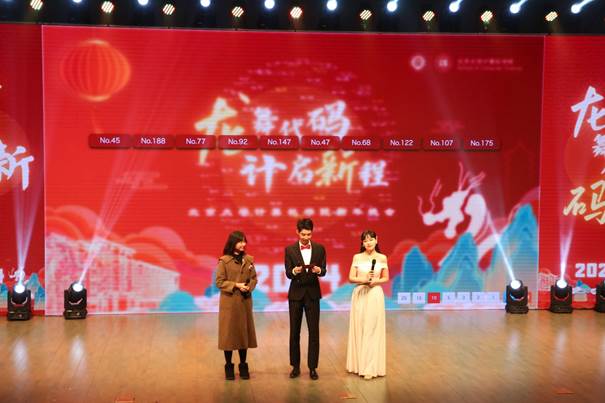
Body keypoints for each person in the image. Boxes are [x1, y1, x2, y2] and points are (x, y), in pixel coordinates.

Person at [284, 218, 326, 380]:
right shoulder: (290, 249)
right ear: (297, 232)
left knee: (314, 332)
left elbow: (324, 270)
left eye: (309, 234)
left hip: (313, 294)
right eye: (303, 234)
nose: (306, 237)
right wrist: (294, 271)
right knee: (294, 332)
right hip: (296, 294)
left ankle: (313, 367)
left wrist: (319, 270)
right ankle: (295, 366)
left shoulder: (320, 249)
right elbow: (288, 273)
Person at [346, 230, 389, 380]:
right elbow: (351, 278)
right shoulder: (357, 257)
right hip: (360, 294)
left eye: (371, 240)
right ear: (362, 243)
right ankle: (359, 365)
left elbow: (385, 278)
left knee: (372, 329)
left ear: (377, 240)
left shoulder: (382, 258)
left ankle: (370, 368)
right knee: (360, 328)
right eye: (365, 241)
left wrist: (375, 281)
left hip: (374, 294)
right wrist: (364, 279)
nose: (368, 243)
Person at [216, 231, 258, 380]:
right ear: (233, 243)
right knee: (228, 336)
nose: (243, 244)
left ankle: (243, 365)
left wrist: (249, 287)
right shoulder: (224, 261)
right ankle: (229, 366)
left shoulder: (249, 260)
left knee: (243, 335)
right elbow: (219, 282)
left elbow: (254, 278)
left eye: (244, 241)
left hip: (244, 302)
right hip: (229, 303)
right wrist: (236, 285)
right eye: (240, 241)